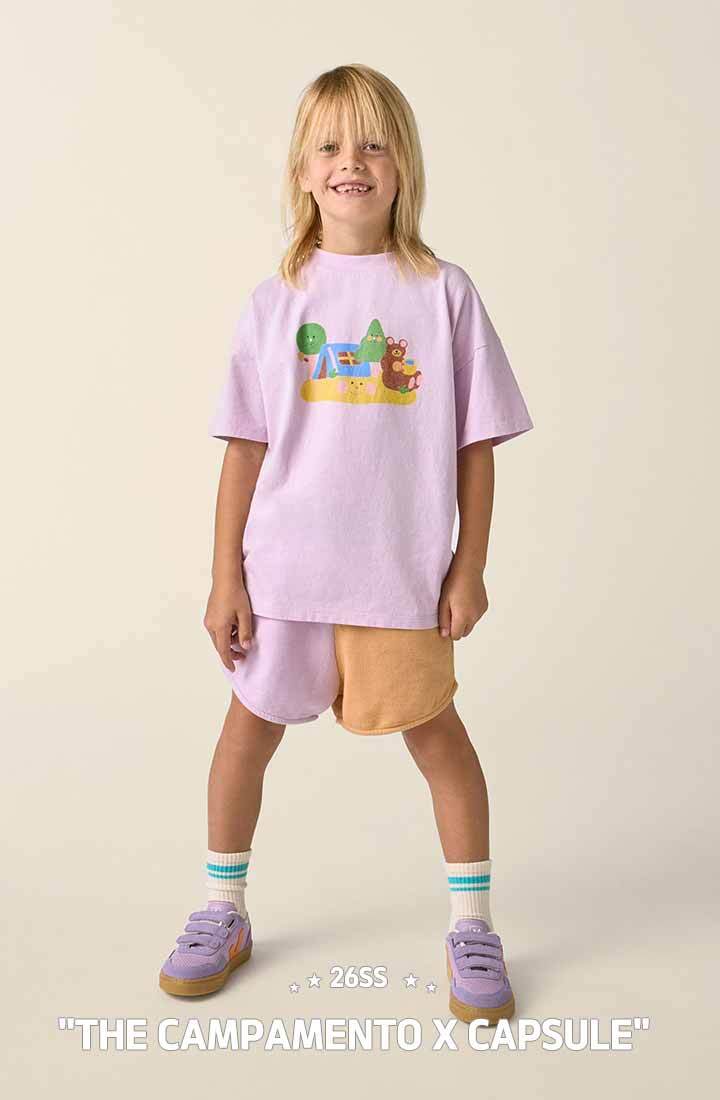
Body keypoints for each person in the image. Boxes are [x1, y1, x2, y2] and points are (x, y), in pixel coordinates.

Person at [159, 64, 533, 1026]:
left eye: (372, 143)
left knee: (439, 741)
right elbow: (245, 449)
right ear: (302, 170)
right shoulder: (274, 300)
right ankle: (222, 908)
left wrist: (469, 566)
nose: (350, 161)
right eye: (328, 145)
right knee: (245, 738)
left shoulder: (443, 293)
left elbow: (476, 447)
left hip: (398, 579)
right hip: (284, 576)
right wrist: (225, 577)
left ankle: (473, 926)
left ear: (403, 165)